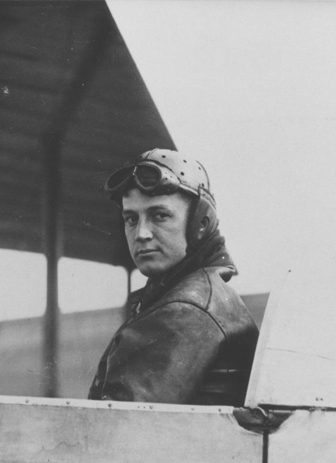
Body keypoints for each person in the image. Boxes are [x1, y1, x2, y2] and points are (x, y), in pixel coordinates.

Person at [88, 149, 258, 406]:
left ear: (200, 223)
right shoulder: (201, 294)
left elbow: (119, 429)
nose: (141, 233)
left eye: (159, 216)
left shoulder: (186, 309)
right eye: (131, 219)